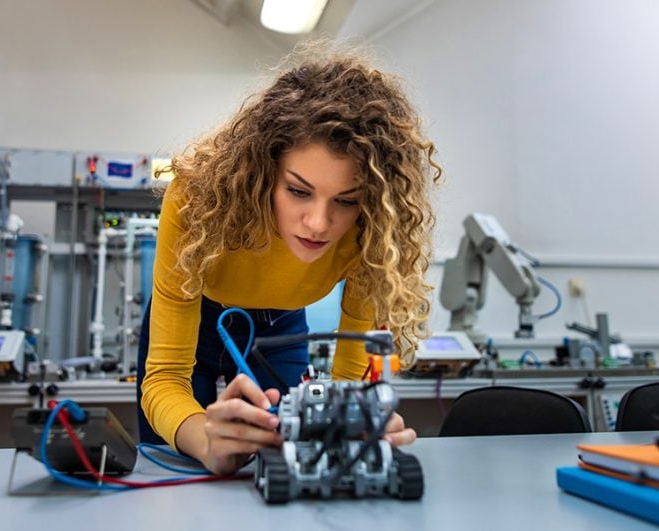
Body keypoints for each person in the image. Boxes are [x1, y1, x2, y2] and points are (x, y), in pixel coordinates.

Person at [137, 41, 441, 476]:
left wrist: (353, 426)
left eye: (347, 200)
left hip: (280, 328)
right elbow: (165, 379)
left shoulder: (373, 228)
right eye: (298, 191)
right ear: (264, 170)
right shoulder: (196, 200)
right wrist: (206, 441)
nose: (319, 223)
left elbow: (350, 381)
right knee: (177, 466)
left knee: (293, 452)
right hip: (196, 320)